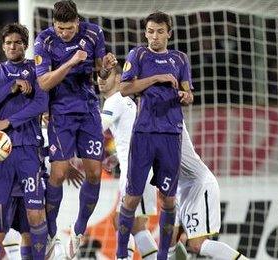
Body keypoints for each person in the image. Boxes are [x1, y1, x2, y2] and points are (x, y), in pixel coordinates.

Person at [33, 1, 117, 258]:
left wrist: (106, 68)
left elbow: (101, 77)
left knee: (94, 173)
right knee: (57, 174)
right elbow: (44, 82)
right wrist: (70, 62)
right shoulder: (44, 41)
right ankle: (50, 234)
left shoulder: (93, 33)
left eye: (69, 28)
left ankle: (78, 231)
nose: (64, 33)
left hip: (89, 110)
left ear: (77, 23)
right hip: (60, 112)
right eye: (60, 28)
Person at [115, 11, 194, 259]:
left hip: (171, 134)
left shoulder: (180, 59)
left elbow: (188, 94)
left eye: (160, 31)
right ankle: (120, 254)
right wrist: (157, 77)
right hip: (144, 133)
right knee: (131, 198)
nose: (154, 37)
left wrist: (185, 96)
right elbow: (125, 88)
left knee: (168, 200)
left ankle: (163, 256)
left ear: (168, 33)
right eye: (150, 31)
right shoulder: (138, 55)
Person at [0, 23, 49, 260]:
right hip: (1, 152)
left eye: (17, 42)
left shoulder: (37, 69)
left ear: (25, 45)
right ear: (2, 46)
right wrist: (12, 87)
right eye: (7, 43)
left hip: (27, 150)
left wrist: (9, 122)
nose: (12, 46)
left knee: (35, 215)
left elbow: (41, 104)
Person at [98, 66, 159, 260]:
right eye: (98, 76)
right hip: (146, 167)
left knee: (121, 220)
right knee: (138, 226)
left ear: (118, 78)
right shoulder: (129, 102)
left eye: (106, 75)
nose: (100, 80)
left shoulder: (114, 100)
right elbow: (133, 136)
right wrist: (115, 157)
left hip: (134, 170)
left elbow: (98, 128)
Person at [166, 124, 249, 260]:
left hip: (198, 185)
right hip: (178, 189)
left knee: (197, 245)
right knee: (168, 239)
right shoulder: (148, 126)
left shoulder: (169, 120)